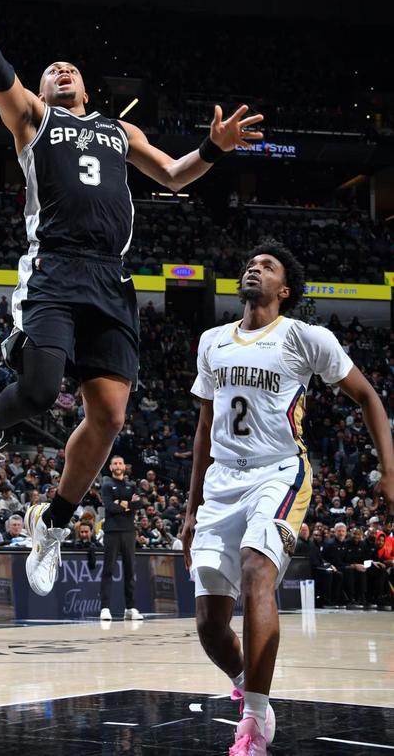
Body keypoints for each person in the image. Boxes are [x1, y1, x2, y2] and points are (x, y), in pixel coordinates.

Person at [0, 0, 264, 597]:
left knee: (109, 417)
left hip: (111, 276)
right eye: (51, 69)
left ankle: (51, 523)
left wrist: (214, 147)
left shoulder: (119, 130)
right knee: (37, 389)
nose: (62, 70)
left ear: (85, 84)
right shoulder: (32, 120)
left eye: (70, 68)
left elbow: (174, 174)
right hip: (55, 267)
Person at [181, 241, 394, 756]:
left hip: (278, 472)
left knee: (257, 570)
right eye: (250, 263)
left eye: (267, 266)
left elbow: (367, 395)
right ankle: (247, 681)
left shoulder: (304, 337)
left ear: (285, 289)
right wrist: (190, 508)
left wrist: (390, 471)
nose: (254, 268)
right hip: (221, 481)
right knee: (209, 623)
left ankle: (253, 720)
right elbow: (205, 426)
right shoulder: (212, 341)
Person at [99, 455, 142, 621]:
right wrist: (128, 504)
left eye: (120, 463)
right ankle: (105, 608)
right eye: (115, 463)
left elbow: (139, 504)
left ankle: (130, 608)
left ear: (124, 467)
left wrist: (122, 503)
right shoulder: (107, 485)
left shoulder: (132, 485)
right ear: (111, 467)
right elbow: (110, 507)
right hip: (112, 531)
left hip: (129, 531)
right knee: (108, 570)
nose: (118, 466)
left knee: (130, 570)